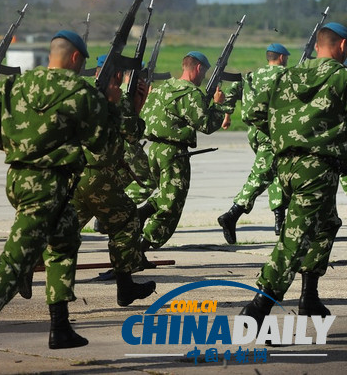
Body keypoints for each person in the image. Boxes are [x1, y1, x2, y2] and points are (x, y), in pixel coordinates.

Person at [0, 31, 115, 375]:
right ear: (75, 59)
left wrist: (21, 149)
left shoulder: (15, 85)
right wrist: (113, 105)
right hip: (49, 184)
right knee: (17, 258)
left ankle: (60, 326)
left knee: (65, 239)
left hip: (23, 180)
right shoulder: (81, 92)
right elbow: (105, 146)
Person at [240, 23, 347, 326]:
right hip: (318, 168)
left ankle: (309, 297)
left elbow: (252, 113)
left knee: (326, 224)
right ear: (341, 46)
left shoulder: (287, 75)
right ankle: (258, 306)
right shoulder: (341, 78)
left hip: (285, 166)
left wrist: (283, 138)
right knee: (296, 237)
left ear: (316, 48)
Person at [125, 51, 232, 259]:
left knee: (165, 194)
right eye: (204, 72)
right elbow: (207, 125)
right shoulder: (191, 93)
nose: (204, 78)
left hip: (154, 150)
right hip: (174, 154)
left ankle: (141, 215)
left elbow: (147, 114)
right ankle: (140, 248)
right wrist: (219, 105)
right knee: (172, 204)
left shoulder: (164, 87)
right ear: (198, 68)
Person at [71, 66, 156, 306]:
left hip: (78, 172)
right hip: (98, 175)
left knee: (65, 228)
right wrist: (136, 106)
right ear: (116, 76)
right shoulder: (116, 100)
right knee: (127, 219)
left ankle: (19, 269)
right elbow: (132, 134)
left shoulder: (84, 93)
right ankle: (125, 285)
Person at [217, 43, 289, 244]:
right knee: (262, 174)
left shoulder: (252, 75)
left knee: (276, 172)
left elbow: (233, 89)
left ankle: (279, 220)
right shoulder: (286, 74)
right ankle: (233, 213)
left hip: (255, 133)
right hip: (272, 132)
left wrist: (227, 113)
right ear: (282, 58)